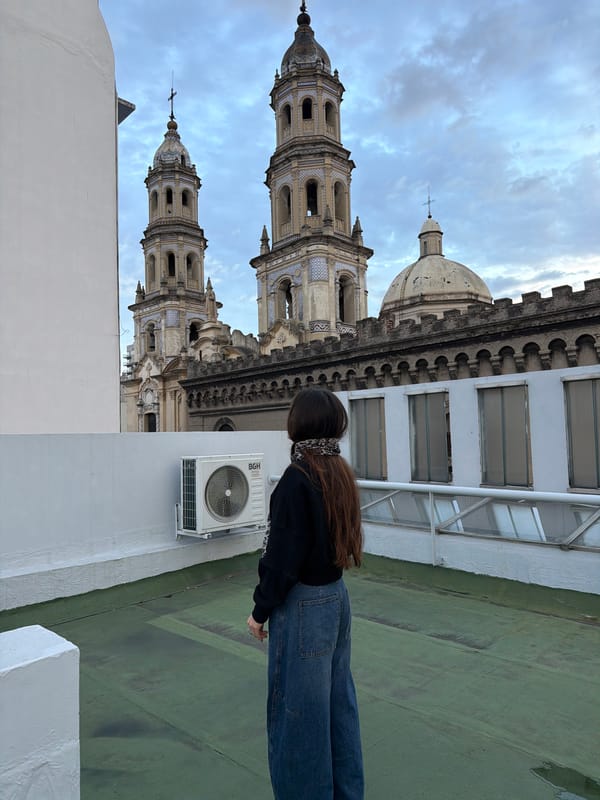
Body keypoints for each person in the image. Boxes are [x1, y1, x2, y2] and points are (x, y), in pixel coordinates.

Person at [247, 387, 364, 800]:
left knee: (297, 719)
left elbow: (282, 557)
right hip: (336, 599)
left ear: (297, 425)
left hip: (305, 607)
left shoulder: (298, 478)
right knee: (338, 710)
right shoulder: (339, 472)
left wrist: (260, 611)